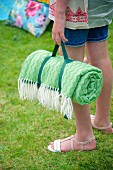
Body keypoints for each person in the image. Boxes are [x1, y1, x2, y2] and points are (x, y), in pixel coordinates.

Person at [48, 0, 113, 152]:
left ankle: (84, 138)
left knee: (72, 65)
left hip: (75, 5)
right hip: (99, 5)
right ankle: (102, 121)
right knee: (100, 58)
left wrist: (59, 14)